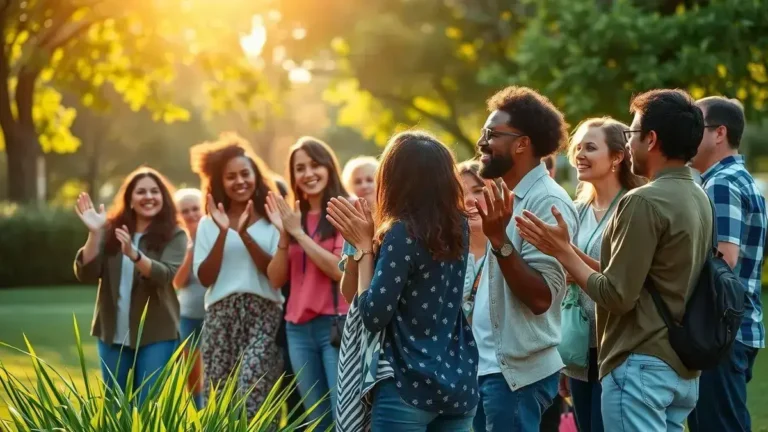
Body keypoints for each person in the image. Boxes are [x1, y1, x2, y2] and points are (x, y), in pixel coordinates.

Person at [515, 89, 710, 431]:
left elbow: (616, 295)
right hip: (679, 366)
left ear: (651, 139)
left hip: (640, 366)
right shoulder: (698, 195)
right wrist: (566, 249)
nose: (629, 143)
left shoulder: (642, 201)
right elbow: (639, 280)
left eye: (632, 134)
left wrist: (562, 252)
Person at [327, 130, 479, 431]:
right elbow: (351, 294)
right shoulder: (458, 227)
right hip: (457, 381)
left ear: (393, 178)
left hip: (407, 384)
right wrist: (361, 249)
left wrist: (366, 248)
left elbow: (371, 315)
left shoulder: (401, 232)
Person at [472, 86, 579, 432]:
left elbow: (541, 298)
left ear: (522, 143)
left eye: (491, 134)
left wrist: (500, 240)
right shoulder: (508, 195)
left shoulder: (547, 203)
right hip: (487, 368)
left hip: (514, 377)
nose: (481, 143)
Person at [73, 167, 187, 405]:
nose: (149, 196)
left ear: (163, 198)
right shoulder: (110, 230)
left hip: (157, 333)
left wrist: (135, 255)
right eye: (141, 191)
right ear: (130, 199)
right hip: (112, 332)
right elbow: (87, 273)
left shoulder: (175, 235)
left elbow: (165, 275)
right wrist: (95, 233)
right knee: (116, 406)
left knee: (147, 406)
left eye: (155, 191)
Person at [190, 134, 284, 418]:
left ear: (256, 175)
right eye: (231, 176)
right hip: (221, 315)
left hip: (263, 314)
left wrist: (244, 235)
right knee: (219, 398)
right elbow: (206, 278)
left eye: (246, 173)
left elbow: (275, 276)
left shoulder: (273, 219)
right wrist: (222, 233)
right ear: (221, 182)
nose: (240, 181)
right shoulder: (209, 223)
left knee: (253, 388)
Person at [563, 118, 647, 432]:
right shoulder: (577, 210)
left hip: (619, 344)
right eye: (578, 147)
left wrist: (569, 258)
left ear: (617, 157)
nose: (580, 155)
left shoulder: (633, 206)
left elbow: (626, 278)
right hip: (579, 347)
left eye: (591, 147)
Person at [688, 96, 766, 432]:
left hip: (721, 333)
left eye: (696, 127)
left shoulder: (721, 183)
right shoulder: (736, 178)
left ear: (719, 133)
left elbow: (725, 261)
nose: (688, 135)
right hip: (736, 330)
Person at [266, 137, 348, 429]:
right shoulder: (292, 217)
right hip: (297, 329)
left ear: (329, 167)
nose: (308, 174)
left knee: (343, 415)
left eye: (315, 165)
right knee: (316, 417)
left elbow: (341, 271)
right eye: (300, 168)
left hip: (335, 327)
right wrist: (286, 235)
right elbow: (276, 279)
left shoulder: (344, 209)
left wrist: (299, 234)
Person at [172, 188, 206, 409]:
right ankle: (198, 414)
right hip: (188, 317)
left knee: (214, 372)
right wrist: (191, 250)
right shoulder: (178, 241)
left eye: (195, 209)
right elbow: (177, 282)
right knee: (192, 376)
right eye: (185, 211)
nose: (192, 214)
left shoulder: (216, 235)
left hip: (213, 316)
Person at [457, 160, 489, 324]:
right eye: (461, 193)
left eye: (478, 191)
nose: (469, 200)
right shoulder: (443, 252)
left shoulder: (511, 251)